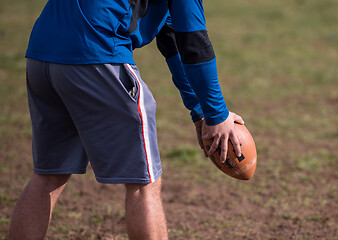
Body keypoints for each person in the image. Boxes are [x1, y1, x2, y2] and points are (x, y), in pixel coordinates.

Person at [9, 0, 243, 239]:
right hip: (98, 53)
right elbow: (193, 41)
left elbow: (171, 36)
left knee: (48, 175)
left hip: (42, 55)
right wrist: (216, 115)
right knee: (144, 185)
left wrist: (200, 111)